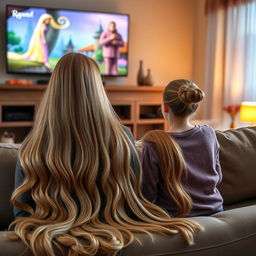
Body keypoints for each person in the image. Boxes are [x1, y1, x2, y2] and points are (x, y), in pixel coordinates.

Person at [9, 55, 202, 256]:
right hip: (117, 232)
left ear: (54, 89)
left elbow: (21, 215)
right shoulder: (123, 136)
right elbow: (134, 195)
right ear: (97, 89)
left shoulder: (31, 145)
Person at [141, 79, 223, 217]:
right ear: (195, 106)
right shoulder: (209, 133)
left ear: (165, 107)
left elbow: (147, 194)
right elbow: (218, 176)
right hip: (215, 209)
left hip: (178, 217)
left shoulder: (153, 143)